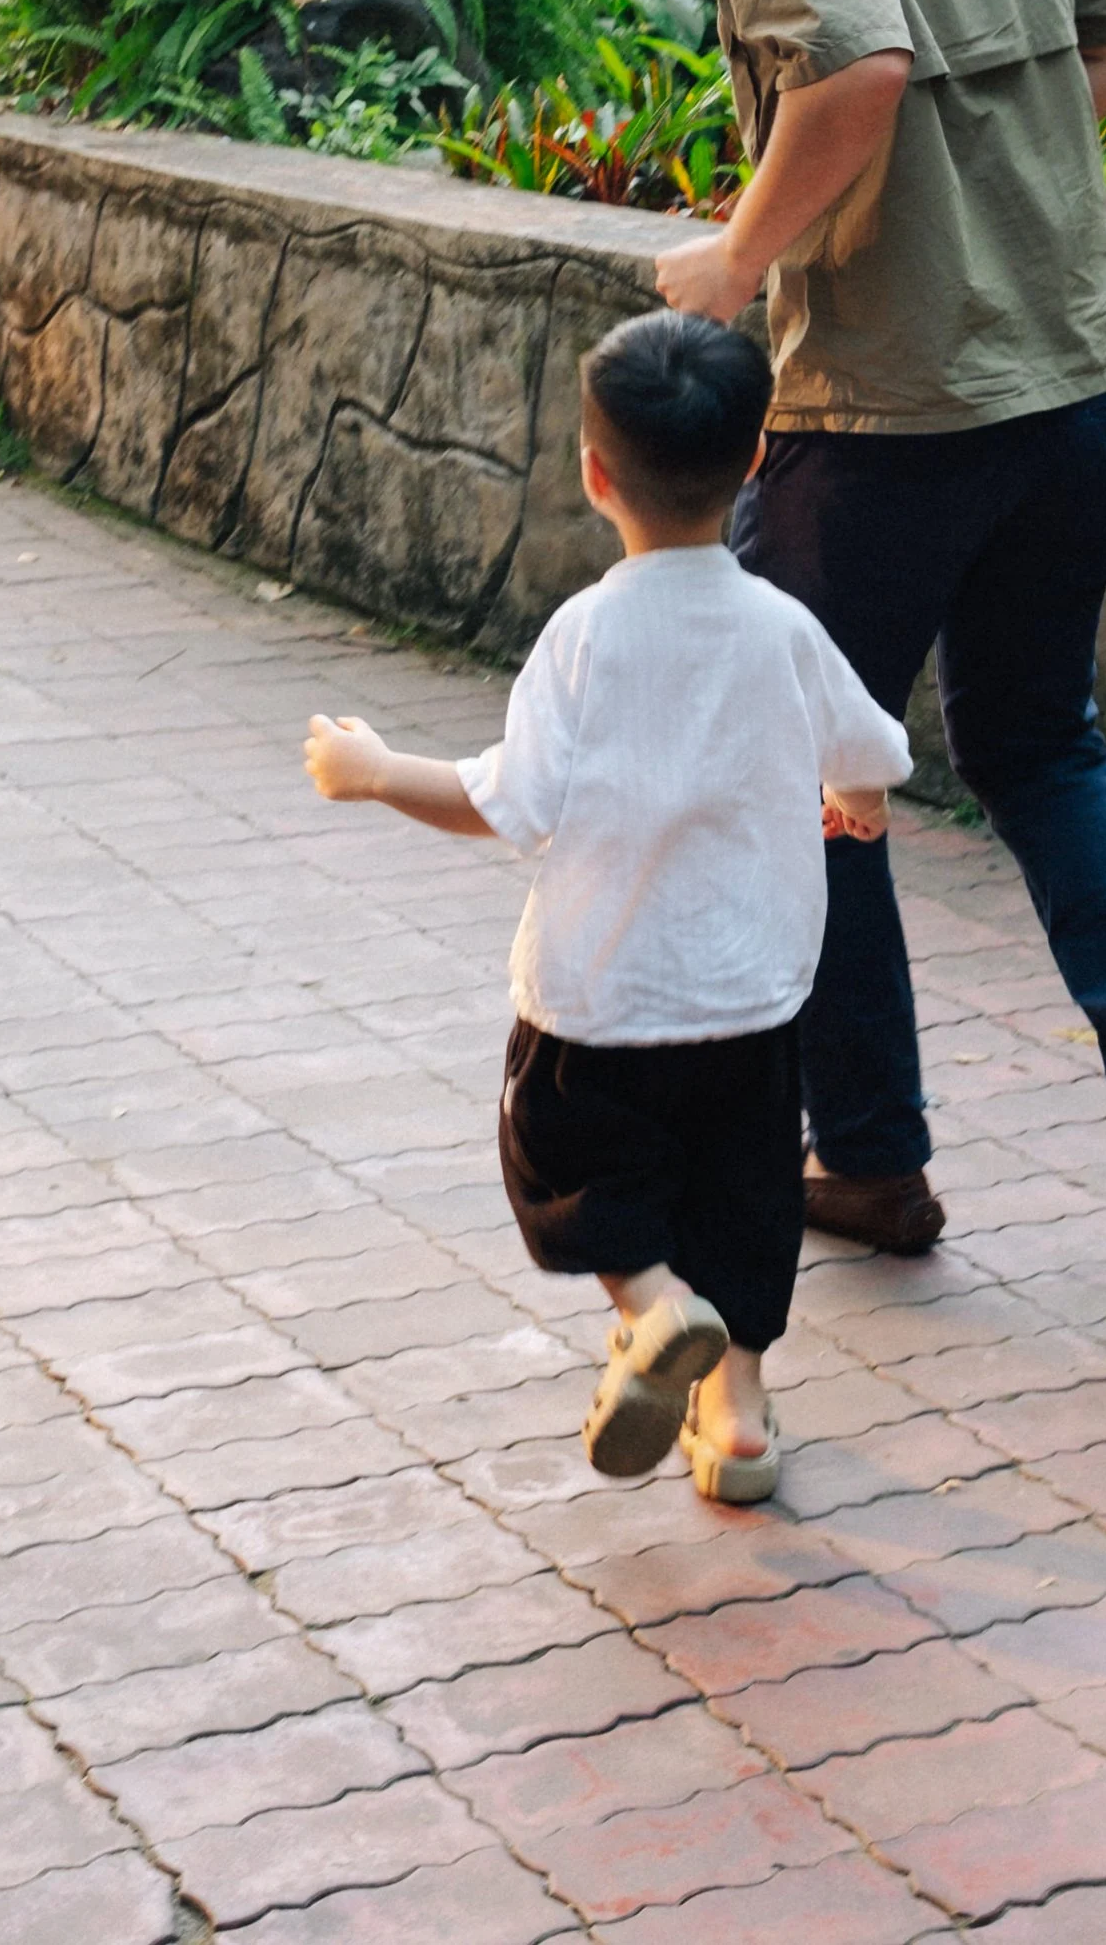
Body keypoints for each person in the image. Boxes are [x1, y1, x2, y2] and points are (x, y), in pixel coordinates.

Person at [549, 0, 1106, 1323]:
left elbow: (854, 76)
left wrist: (736, 259)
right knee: (1037, 737)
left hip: (882, 423)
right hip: (1074, 393)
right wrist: (992, 185)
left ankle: (867, 1154)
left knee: (811, 772)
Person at [303, 309, 911, 1500]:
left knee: (564, 1167)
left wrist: (373, 773)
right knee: (743, 1202)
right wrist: (853, 795)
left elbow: (507, 803)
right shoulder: (783, 627)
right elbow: (871, 749)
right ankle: (735, 1423)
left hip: (600, 999)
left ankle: (650, 1306)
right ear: (751, 463)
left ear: (593, 475)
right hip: (751, 1000)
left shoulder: (584, 635)